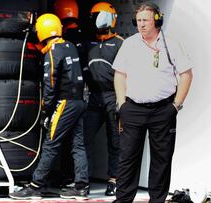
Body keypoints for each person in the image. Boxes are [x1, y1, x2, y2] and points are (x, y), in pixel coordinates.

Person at [112, 2, 193, 203]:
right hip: (133, 109)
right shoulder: (129, 44)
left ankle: (157, 200)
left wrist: (176, 105)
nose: (141, 24)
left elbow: (186, 75)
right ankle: (123, 199)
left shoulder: (171, 44)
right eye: (138, 21)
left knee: (162, 160)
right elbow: (119, 75)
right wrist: (122, 104)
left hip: (163, 110)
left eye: (146, 20)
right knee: (127, 158)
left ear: (156, 20)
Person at [9, 13, 89, 200]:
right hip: (79, 101)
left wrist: (46, 110)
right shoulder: (69, 46)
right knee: (78, 145)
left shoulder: (52, 51)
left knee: (50, 144)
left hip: (65, 103)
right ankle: (81, 187)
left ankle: (35, 186)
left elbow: (50, 83)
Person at [84, 2, 123, 196]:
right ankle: (82, 180)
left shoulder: (120, 43)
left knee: (115, 140)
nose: (96, 19)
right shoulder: (88, 43)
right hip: (94, 97)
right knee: (84, 138)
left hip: (113, 96)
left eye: (99, 15)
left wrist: (123, 100)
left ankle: (114, 180)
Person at [52, 0, 85, 186]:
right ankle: (80, 183)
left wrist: (47, 106)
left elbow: (53, 75)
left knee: (53, 142)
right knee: (77, 143)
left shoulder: (61, 43)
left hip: (65, 98)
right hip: (81, 96)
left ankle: (45, 180)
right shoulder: (83, 37)